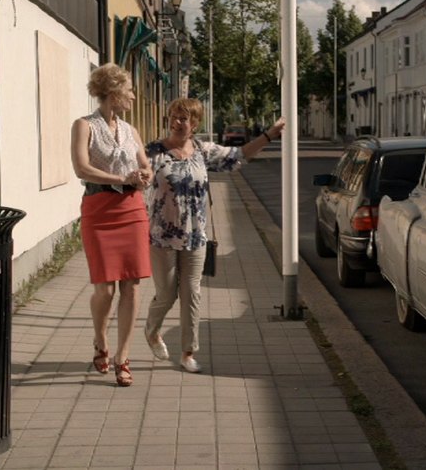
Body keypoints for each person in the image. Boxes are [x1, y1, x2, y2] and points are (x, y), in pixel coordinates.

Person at [144, 98, 285, 373]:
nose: (177, 122)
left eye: (183, 118)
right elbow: (138, 176)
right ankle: (151, 330)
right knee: (167, 294)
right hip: (162, 237)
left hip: (196, 236)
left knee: (192, 293)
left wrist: (269, 135)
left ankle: (187, 352)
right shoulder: (154, 151)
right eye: (173, 116)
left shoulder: (202, 151)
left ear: (195, 123)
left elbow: (239, 155)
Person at [70, 63, 152, 387]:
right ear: (114, 92)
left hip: (132, 209)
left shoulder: (131, 130)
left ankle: (123, 356)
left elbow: (144, 164)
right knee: (104, 288)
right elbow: (81, 168)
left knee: (132, 285)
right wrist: (121, 177)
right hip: (99, 210)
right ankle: (100, 338)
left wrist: (144, 175)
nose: (133, 96)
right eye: (129, 91)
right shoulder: (83, 126)